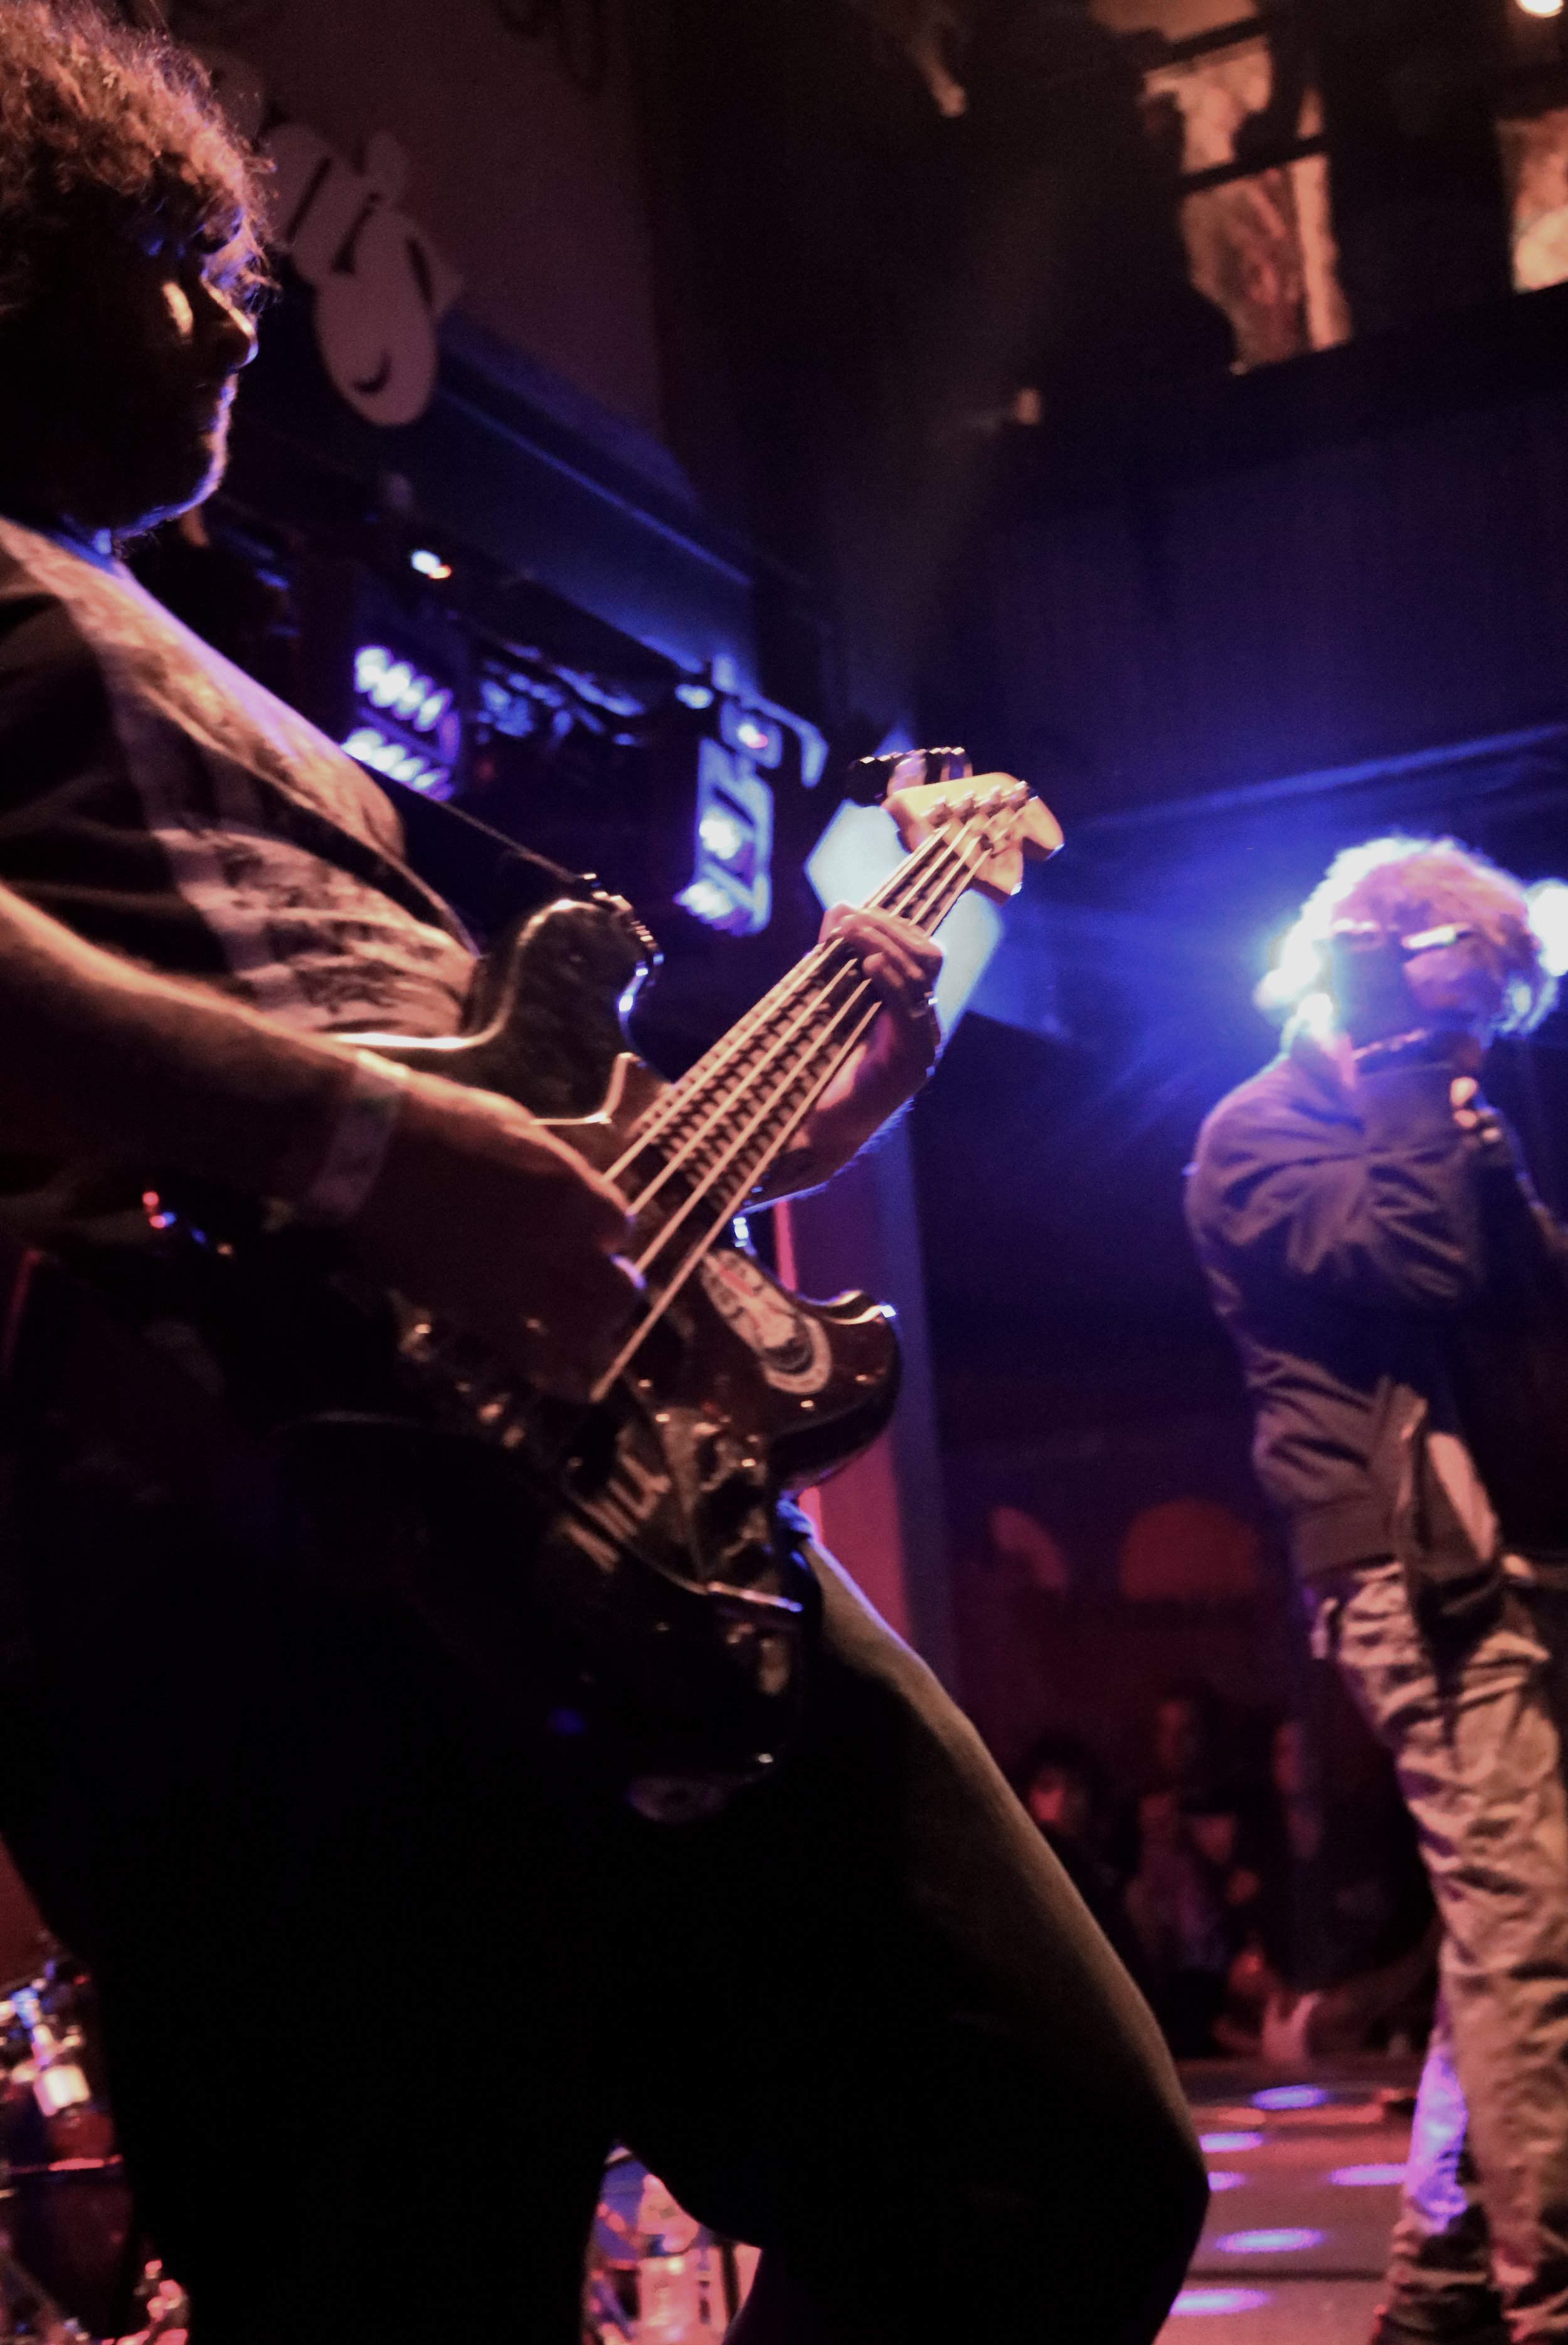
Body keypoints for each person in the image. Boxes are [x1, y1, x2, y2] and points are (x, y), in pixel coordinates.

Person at [0, 9, 1207, 2344]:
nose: (236, 317)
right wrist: (358, 1141)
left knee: (1048, 2158)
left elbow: (503, 1135)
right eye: (165, 251)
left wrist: (777, 1117)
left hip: (602, 1528)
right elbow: (371, 1133)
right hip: (254, 1571)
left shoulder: (179, 656)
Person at [1187, 834, 1568, 2345]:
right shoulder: (1256, 1136)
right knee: (1527, 1926)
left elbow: (1529, 1305)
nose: (1474, 1050)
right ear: (1374, 975)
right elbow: (1413, 1266)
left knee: (1517, 1928)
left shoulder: (1438, 1117)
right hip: (1410, 1574)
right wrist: (1412, 1071)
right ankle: (1545, 2299)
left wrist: (1466, 1130)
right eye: (1453, 1013)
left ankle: (1439, 2283)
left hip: (1510, 1553)